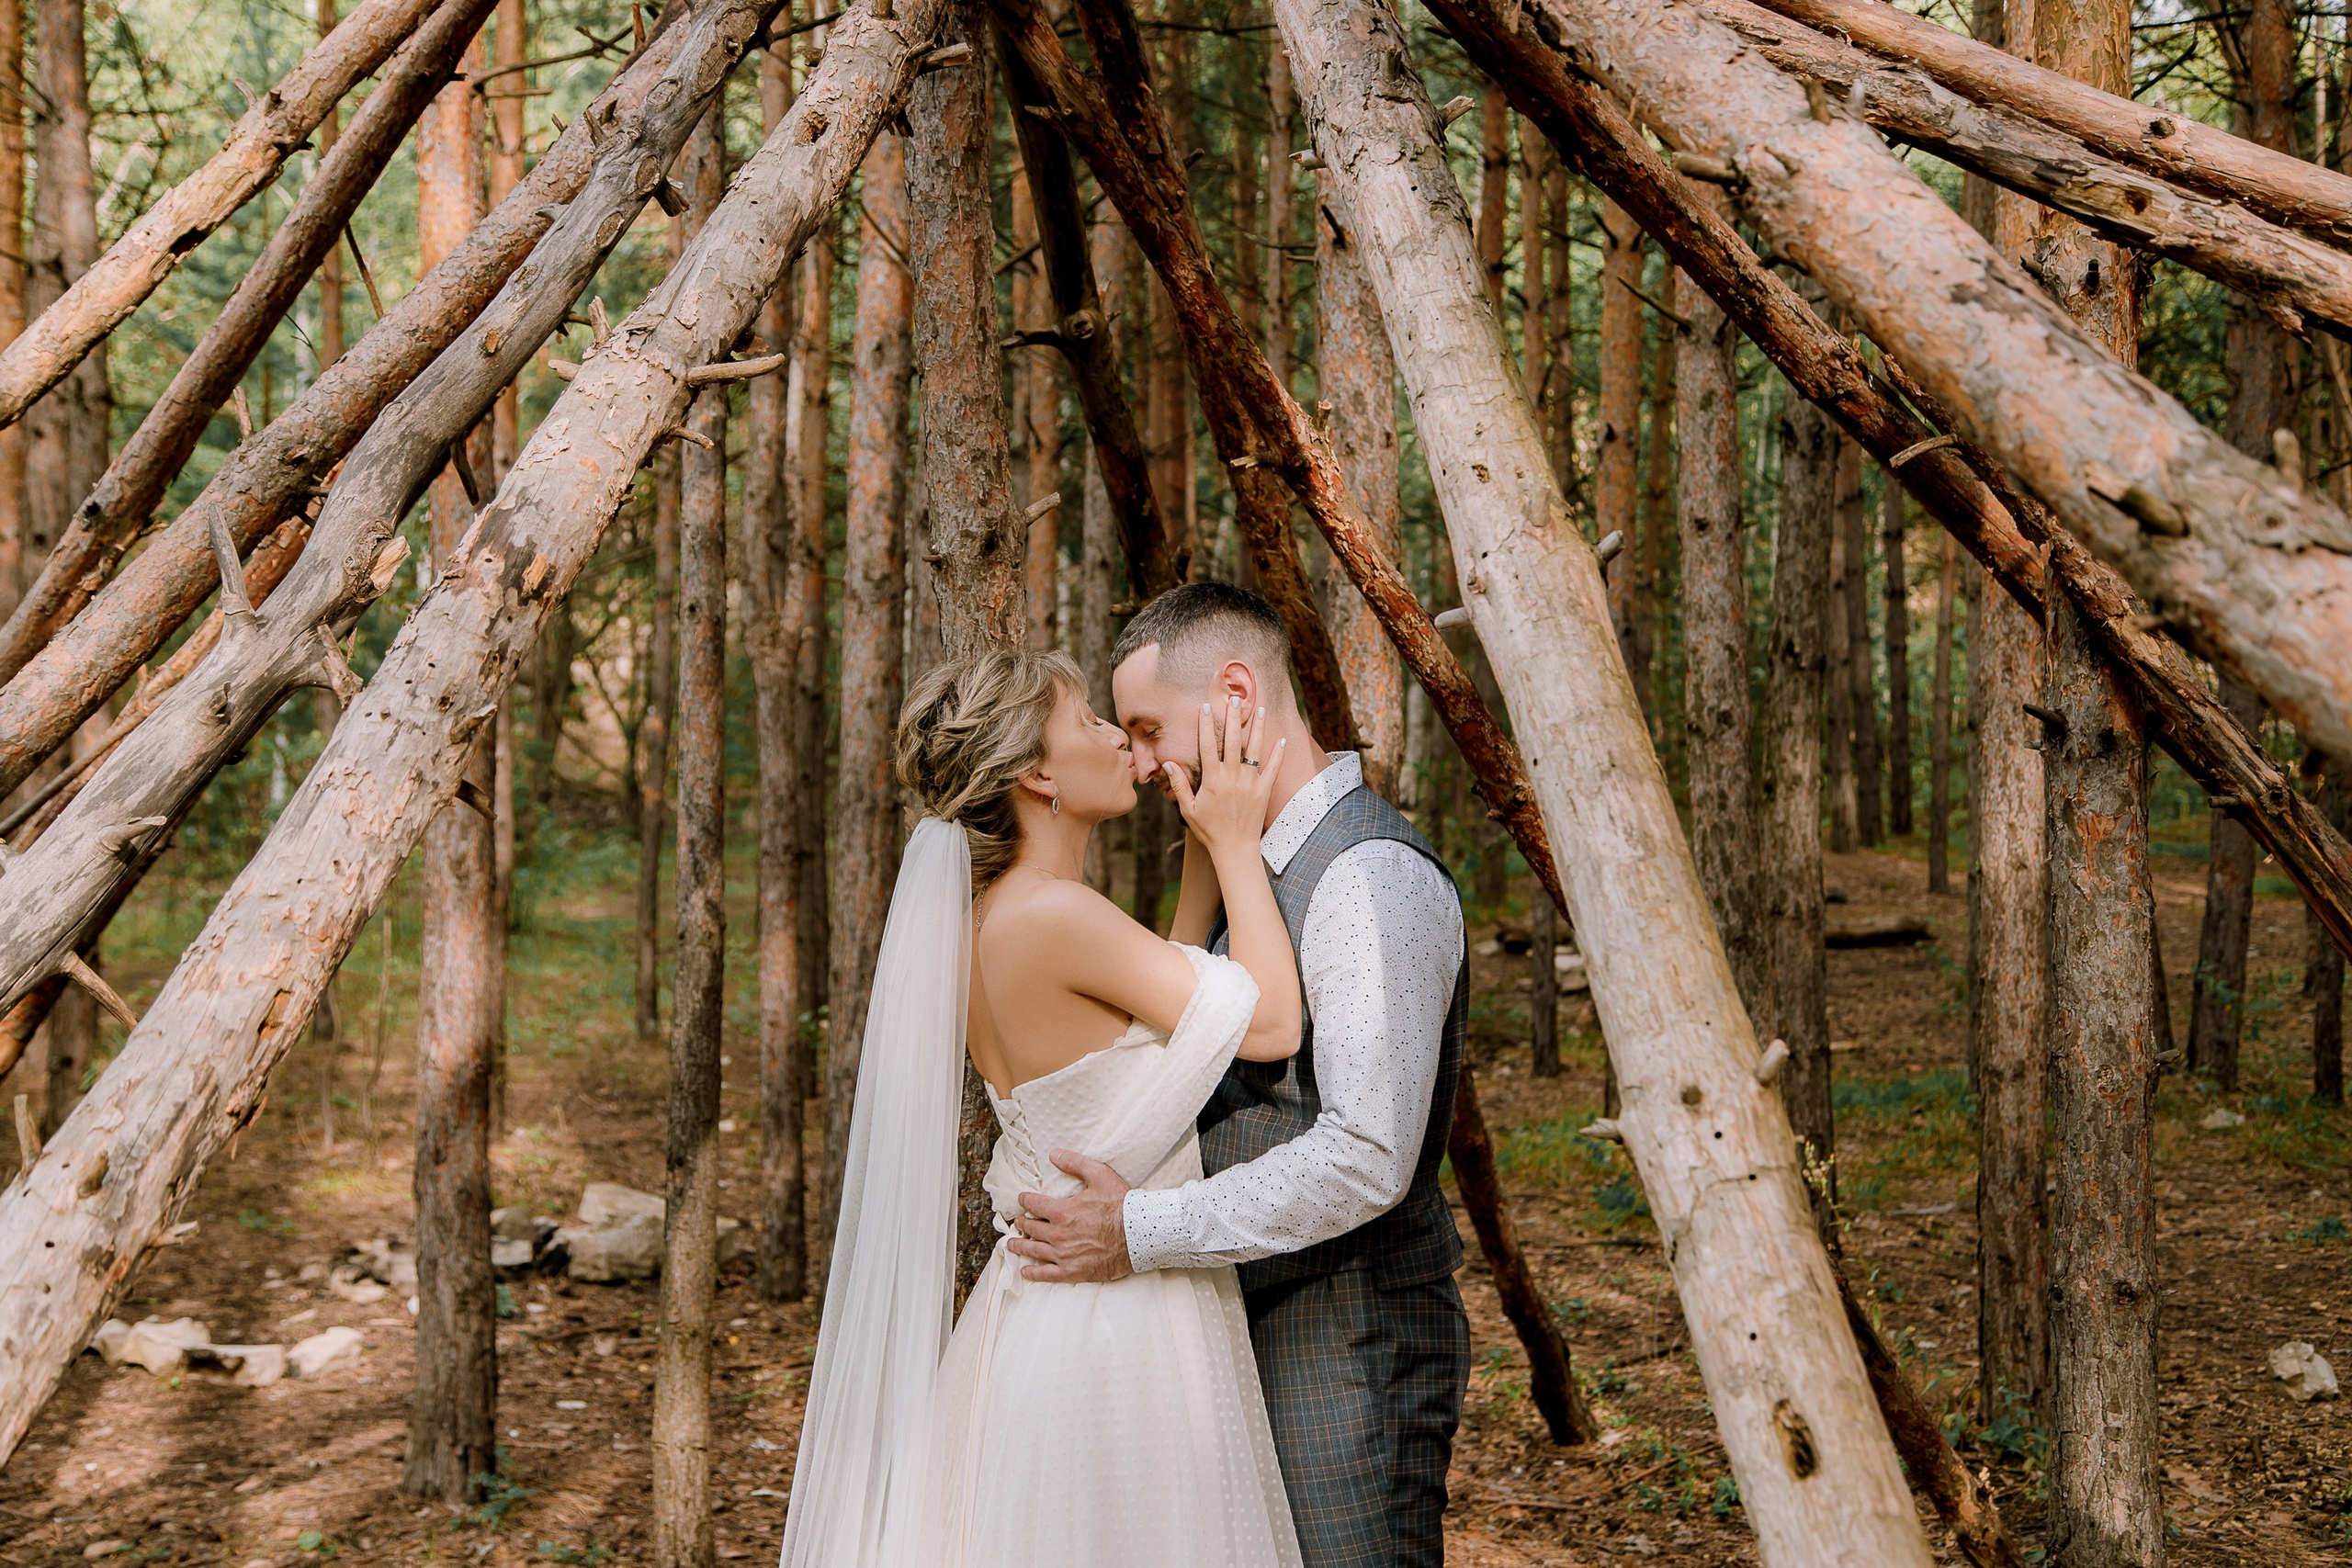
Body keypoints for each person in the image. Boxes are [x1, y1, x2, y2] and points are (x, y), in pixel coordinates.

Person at [779, 644, 1307, 1567]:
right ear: (1036, 771)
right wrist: (1232, 843)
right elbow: (1265, 1026)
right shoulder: (1052, 917)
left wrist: (1196, 853)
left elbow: (1158, 1024)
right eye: (1092, 722)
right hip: (1118, 1332)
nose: (1118, 739)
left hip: (1038, 1316)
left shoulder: (1000, 915)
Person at [1010, 583, 1473, 1568]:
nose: (1137, 762)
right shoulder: (1251, 869)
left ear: (1234, 694)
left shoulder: (1364, 877)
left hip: (1346, 1349)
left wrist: (1137, 1231)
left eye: (1145, 729)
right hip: (1242, 1327)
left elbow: (1365, 1156)